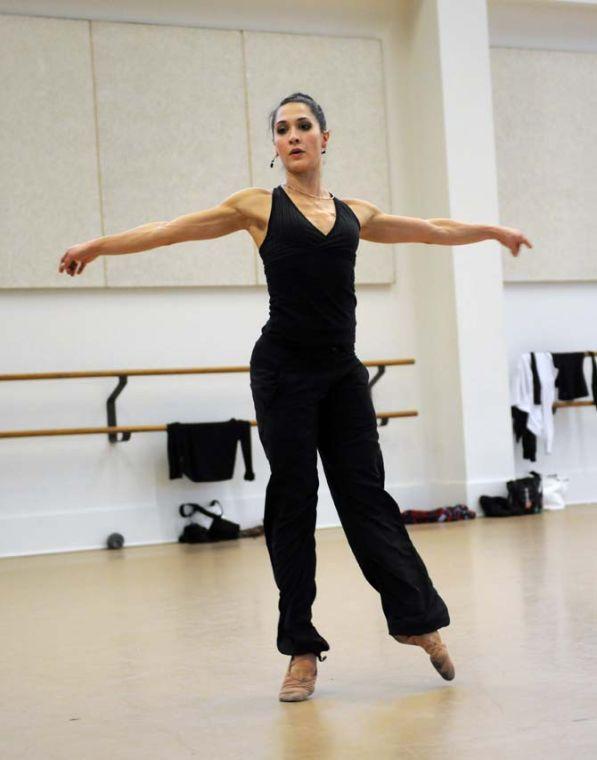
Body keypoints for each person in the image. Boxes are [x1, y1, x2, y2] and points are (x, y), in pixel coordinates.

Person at [59, 91, 532, 702]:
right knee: (293, 503)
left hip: (341, 376)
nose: (293, 136)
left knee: (367, 499)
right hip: (282, 373)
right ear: (276, 145)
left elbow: (433, 230)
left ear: (325, 139)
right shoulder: (257, 207)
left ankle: (418, 623)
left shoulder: (355, 211)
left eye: (304, 126)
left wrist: (494, 231)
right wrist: (96, 246)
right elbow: (166, 231)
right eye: (282, 129)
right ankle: (301, 649)